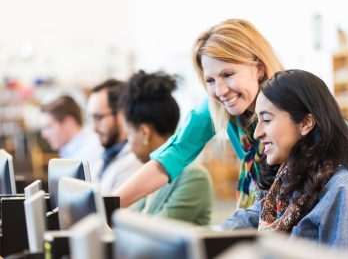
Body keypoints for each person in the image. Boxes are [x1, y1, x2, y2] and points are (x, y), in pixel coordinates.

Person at [116, 18, 283, 209]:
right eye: (210, 80)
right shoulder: (217, 106)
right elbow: (173, 154)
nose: (220, 91)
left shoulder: (291, 103)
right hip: (261, 213)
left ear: (259, 69)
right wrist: (109, 205)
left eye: (228, 75)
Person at [223, 69, 348, 249]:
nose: (258, 133)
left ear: (305, 123)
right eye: (256, 121)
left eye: (266, 120)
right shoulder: (286, 177)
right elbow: (249, 217)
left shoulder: (341, 188)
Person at [122, 70, 213, 225]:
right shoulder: (149, 176)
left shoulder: (194, 175)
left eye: (128, 135)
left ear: (145, 132)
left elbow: (153, 233)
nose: (128, 145)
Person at [87, 79, 143, 195]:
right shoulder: (106, 154)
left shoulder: (134, 162)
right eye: (92, 118)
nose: (94, 128)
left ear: (122, 114)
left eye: (99, 117)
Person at [40, 95, 103, 170]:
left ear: (68, 123)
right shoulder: (70, 151)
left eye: (49, 127)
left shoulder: (91, 154)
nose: (43, 135)